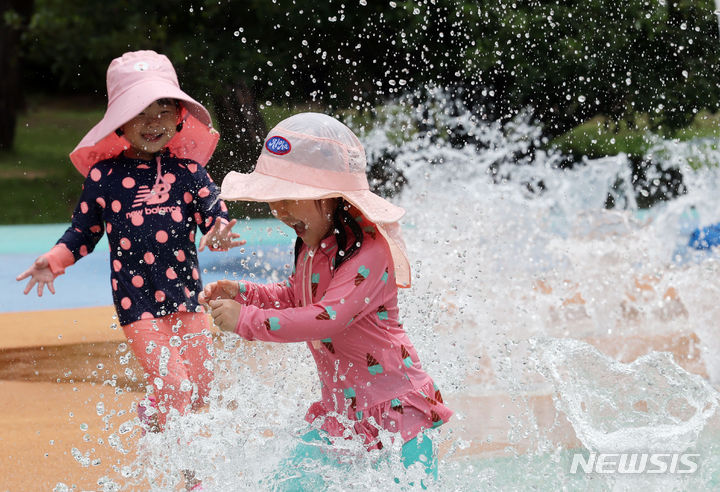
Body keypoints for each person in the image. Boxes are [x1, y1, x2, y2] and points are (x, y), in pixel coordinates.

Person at [16, 50, 242, 471]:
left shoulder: (189, 171)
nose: (154, 122)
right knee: (177, 386)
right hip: (136, 306)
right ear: (119, 122)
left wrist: (219, 229)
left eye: (164, 109)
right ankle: (188, 472)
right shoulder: (104, 178)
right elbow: (83, 233)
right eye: (141, 112)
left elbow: (213, 210)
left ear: (179, 116)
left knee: (202, 389)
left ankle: (154, 415)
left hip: (186, 299)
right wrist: (54, 260)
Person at [201, 112, 452, 487]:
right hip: (342, 414)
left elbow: (327, 317)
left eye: (289, 198)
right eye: (274, 198)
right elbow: (294, 296)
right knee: (286, 484)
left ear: (332, 196)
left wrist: (245, 319)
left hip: (398, 412)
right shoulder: (312, 243)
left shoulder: (369, 252)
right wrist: (245, 292)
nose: (279, 211)